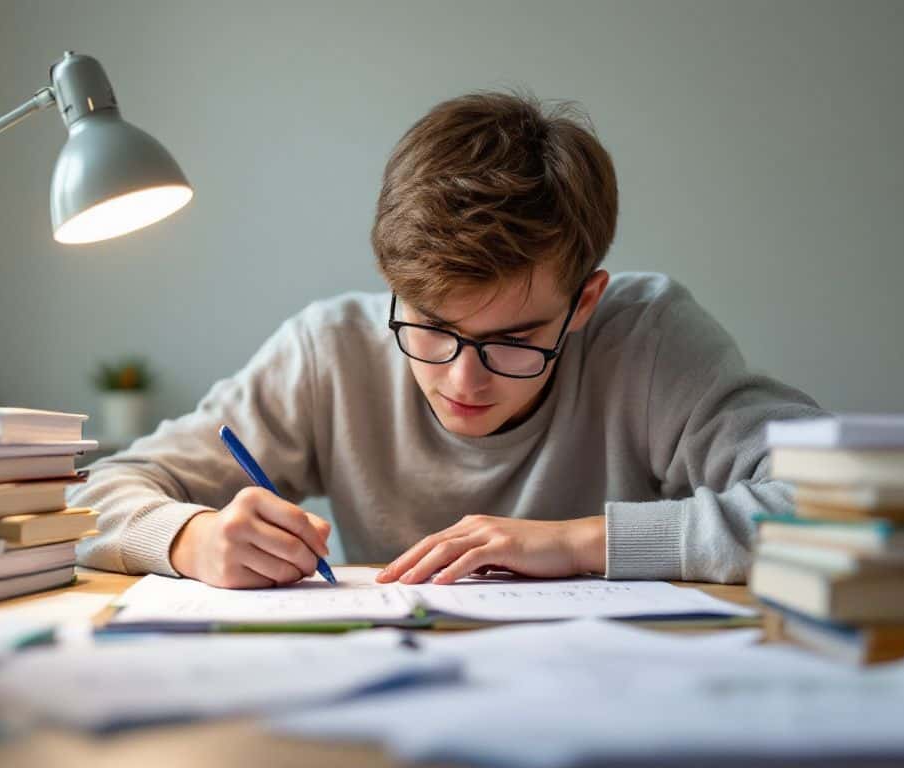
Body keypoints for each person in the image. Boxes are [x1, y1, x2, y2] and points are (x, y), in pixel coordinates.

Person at [72, 92, 823, 588]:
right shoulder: (328, 352)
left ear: (585, 302)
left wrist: (577, 544)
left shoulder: (648, 340)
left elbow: (832, 507)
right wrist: (193, 539)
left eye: (516, 339)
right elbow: (92, 496)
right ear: (393, 285)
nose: (464, 382)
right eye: (431, 329)